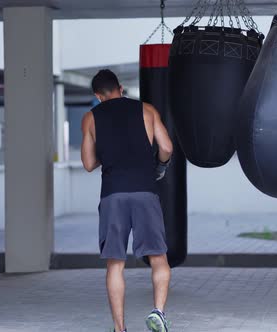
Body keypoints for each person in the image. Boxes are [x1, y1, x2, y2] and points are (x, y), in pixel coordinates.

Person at [80, 69, 173, 332]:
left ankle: (120, 329)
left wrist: (108, 155)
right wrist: (160, 166)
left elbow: (88, 163)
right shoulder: (147, 110)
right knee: (159, 258)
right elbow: (166, 148)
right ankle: (158, 312)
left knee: (115, 264)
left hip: (112, 195)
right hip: (145, 191)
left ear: (98, 96)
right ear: (120, 88)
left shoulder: (90, 118)